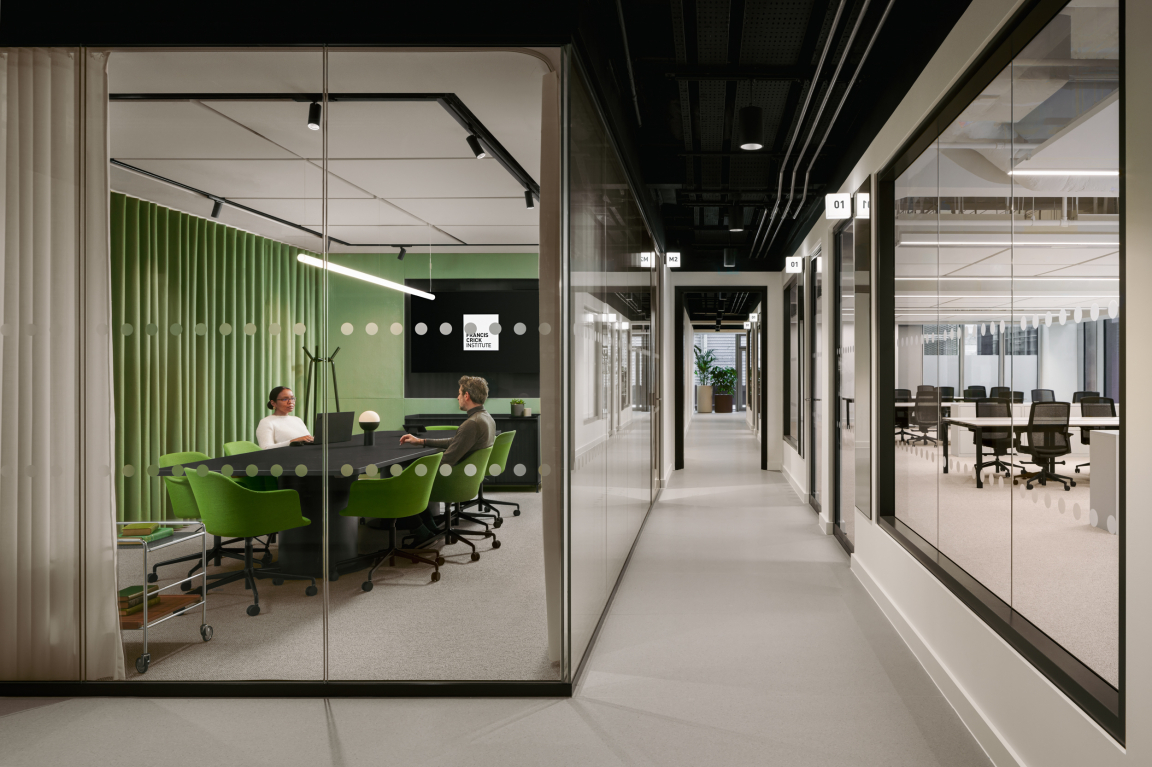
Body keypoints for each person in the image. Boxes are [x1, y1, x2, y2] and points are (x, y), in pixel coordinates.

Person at [398, 375, 495, 541]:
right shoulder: (486, 418)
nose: (457, 397)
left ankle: (421, 533)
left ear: (466, 396)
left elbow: (446, 461)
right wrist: (421, 441)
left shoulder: (472, 423)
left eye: (459, 393)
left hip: (453, 481)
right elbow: (456, 442)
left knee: (403, 484)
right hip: (467, 479)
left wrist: (417, 469)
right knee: (412, 477)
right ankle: (430, 528)